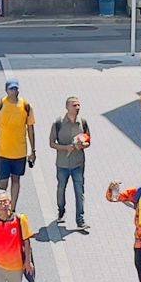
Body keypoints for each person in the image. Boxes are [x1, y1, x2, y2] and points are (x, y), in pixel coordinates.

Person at [0, 78, 36, 204]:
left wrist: (33, 151)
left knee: (16, 180)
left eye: (15, 88)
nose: (14, 91)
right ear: (6, 90)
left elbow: (30, 128)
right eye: (11, 89)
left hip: (19, 152)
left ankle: (12, 208)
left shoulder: (25, 106)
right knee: (3, 182)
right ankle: (2, 205)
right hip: (2, 152)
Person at [49, 96, 91, 232]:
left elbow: (88, 140)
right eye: (74, 105)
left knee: (80, 192)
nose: (77, 108)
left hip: (78, 164)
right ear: (67, 107)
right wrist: (65, 147)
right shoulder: (58, 123)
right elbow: (51, 143)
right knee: (61, 189)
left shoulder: (82, 122)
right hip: (62, 164)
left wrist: (83, 145)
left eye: (78, 105)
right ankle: (61, 210)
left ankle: (80, 220)